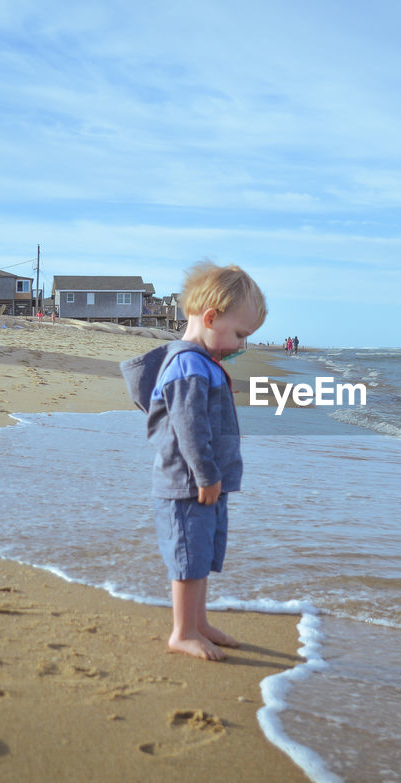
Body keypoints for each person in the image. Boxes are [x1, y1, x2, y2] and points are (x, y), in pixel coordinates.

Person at [120, 263, 266, 661]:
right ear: (210, 318)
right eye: (239, 334)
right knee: (187, 558)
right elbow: (189, 427)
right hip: (188, 484)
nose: (240, 346)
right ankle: (182, 632)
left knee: (201, 555)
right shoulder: (188, 365)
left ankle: (199, 622)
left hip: (205, 482)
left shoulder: (202, 363)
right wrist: (204, 474)